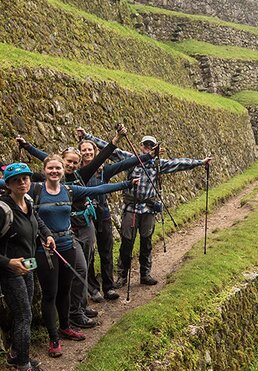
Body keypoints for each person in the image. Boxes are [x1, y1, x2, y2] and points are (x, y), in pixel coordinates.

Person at [1, 155, 139, 358]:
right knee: (50, 294)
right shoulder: (34, 189)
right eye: (51, 168)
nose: (55, 171)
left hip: (66, 245)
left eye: (58, 168)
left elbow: (98, 189)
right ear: (45, 169)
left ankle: (65, 326)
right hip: (44, 252)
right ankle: (53, 338)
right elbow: (9, 182)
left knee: (65, 290)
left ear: (62, 169)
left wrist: (127, 183)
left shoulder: (69, 190)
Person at [18, 126, 127, 328]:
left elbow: (100, 177)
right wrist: (27, 146)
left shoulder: (76, 180)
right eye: (67, 162)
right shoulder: (40, 184)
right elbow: (20, 175)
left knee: (81, 269)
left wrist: (126, 182)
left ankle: (76, 310)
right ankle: (69, 317)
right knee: (64, 280)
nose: (67, 166)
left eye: (73, 163)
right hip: (50, 241)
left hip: (76, 231)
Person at [78, 129, 211, 286]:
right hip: (131, 207)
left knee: (146, 241)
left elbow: (180, 163)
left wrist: (201, 162)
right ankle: (122, 275)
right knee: (127, 242)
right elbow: (109, 150)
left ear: (155, 147)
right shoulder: (130, 158)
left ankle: (145, 274)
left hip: (148, 209)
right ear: (141, 146)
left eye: (151, 145)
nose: (148, 147)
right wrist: (87, 137)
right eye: (146, 145)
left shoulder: (159, 164)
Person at [77, 139, 152, 301]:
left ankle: (109, 288)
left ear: (95, 152)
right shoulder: (76, 173)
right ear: (80, 153)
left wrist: (147, 157)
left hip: (103, 215)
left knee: (106, 252)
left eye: (90, 150)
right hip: (85, 218)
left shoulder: (104, 171)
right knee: (88, 254)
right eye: (84, 150)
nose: (87, 153)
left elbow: (125, 163)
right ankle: (93, 289)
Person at [0, 163, 54, 371]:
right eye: (16, 180)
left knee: (25, 311)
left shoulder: (28, 203)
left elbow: (38, 221)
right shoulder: (3, 209)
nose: (22, 183)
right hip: (10, 271)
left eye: (25, 178)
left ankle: (16, 354)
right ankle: (23, 364)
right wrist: (8, 262)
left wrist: (47, 234)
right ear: (8, 185)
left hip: (28, 266)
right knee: (24, 315)